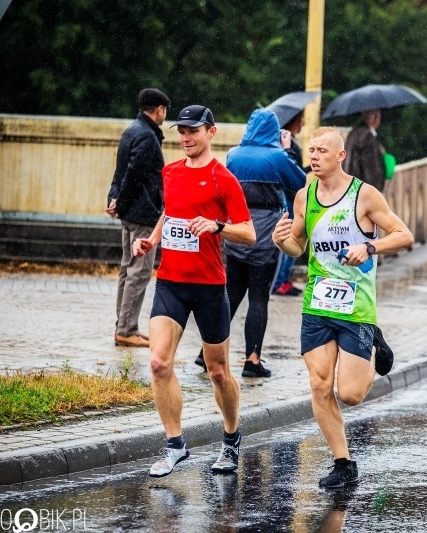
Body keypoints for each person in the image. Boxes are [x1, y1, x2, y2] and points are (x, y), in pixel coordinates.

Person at [272, 126, 414, 488]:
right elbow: (297, 247)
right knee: (320, 385)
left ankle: (374, 342)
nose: (314, 156)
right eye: (312, 150)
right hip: (318, 302)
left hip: (357, 306)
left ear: (340, 156)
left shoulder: (364, 195)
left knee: (350, 394)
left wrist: (369, 247)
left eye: (322, 150)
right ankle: (343, 463)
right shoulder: (305, 196)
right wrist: (281, 242)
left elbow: (403, 235)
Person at [132, 105, 256, 477]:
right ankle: (174, 444)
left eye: (193, 131)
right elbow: (169, 212)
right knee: (158, 363)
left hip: (209, 286)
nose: (186, 137)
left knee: (218, 372)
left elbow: (249, 233)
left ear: (211, 133)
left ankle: (232, 438)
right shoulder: (170, 172)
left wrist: (217, 227)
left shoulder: (224, 179)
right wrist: (151, 240)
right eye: (181, 131)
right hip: (170, 282)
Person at [194, 109, 306, 378]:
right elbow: (300, 184)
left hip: (237, 230)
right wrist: (289, 151)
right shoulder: (278, 156)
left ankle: (205, 352)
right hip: (266, 234)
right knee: (258, 297)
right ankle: (252, 360)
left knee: (230, 295)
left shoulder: (234, 155)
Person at [106, 88, 171, 348]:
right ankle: (127, 329)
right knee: (139, 273)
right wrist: (120, 203)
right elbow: (132, 175)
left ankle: (124, 326)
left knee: (127, 269)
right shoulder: (147, 136)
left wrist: (114, 200)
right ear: (159, 109)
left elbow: (120, 171)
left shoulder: (132, 130)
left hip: (130, 212)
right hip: (143, 213)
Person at [273, 110, 311, 297]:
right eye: (301, 120)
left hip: (292, 196)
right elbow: (288, 170)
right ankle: (280, 282)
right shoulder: (283, 142)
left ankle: (283, 280)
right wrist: (287, 148)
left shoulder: (291, 141)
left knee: (294, 238)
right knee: (288, 238)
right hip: (287, 198)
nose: (302, 124)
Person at [343, 109, 386, 192]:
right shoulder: (368, 136)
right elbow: (371, 170)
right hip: (362, 190)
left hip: (349, 187)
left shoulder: (353, 133)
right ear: (375, 118)